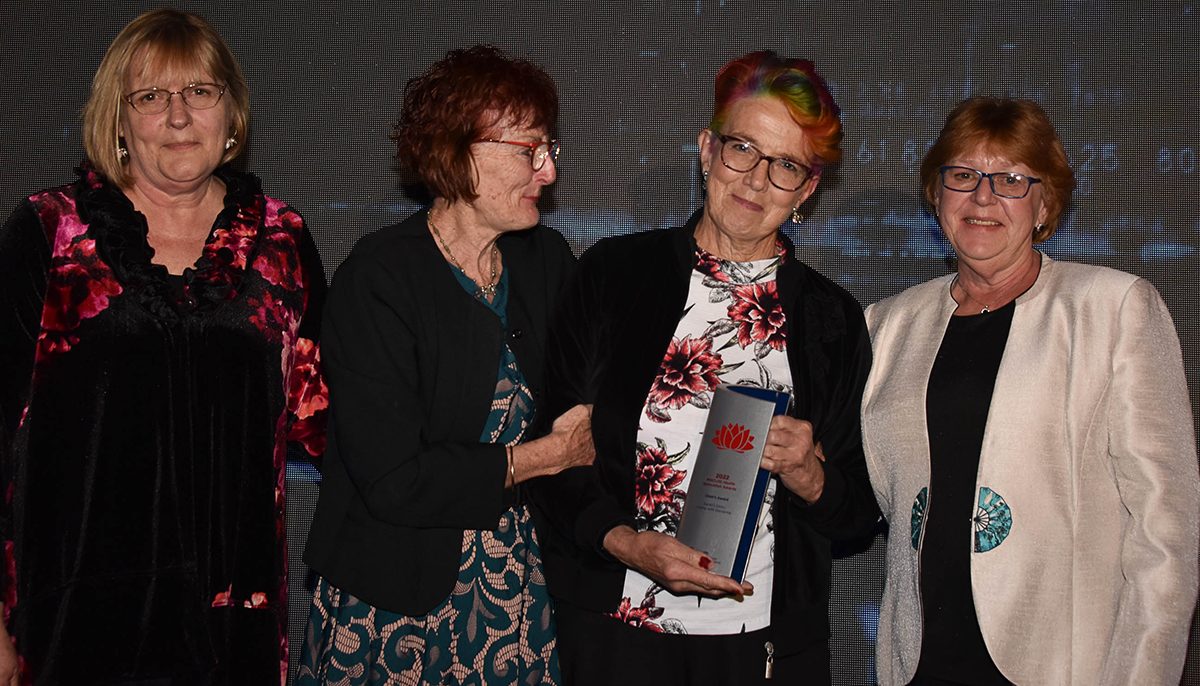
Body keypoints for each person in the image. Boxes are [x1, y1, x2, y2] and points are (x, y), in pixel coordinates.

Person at [0, 8, 327, 685]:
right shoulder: (48, 233)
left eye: (199, 92)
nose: (178, 116)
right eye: (151, 96)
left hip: (229, 624)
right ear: (118, 122)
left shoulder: (283, 240)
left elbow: (326, 419)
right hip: (70, 622)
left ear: (230, 113)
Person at [531, 51, 879, 685]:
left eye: (786, 167)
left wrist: (810, 474)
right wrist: (624, 541)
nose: (755, 180)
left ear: (808, 188)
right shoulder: (613, 276)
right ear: (707, 150)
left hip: (761, 648)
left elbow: (857, 518)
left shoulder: (832, 321)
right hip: (616, 632)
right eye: (742, 148)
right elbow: (550, 462)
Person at [861, 96, 1200, 685]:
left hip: (1063, 665)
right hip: (918, 663)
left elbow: (1165, 537)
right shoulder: (887, 325)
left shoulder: (1114, 309)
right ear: (935, 194)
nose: (983, 197)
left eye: (1012, 179)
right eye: (963, 176)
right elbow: (868, 497)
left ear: (1045, 204)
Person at [297, 45, 594, 686]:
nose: (546, 171)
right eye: (527, 151)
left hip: (522, 595)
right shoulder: (379, 280)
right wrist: (547, 456)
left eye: (550, 150)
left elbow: (589, 393)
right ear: (458, 153)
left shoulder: (547, 260)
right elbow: (394, 480)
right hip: (397, 604)